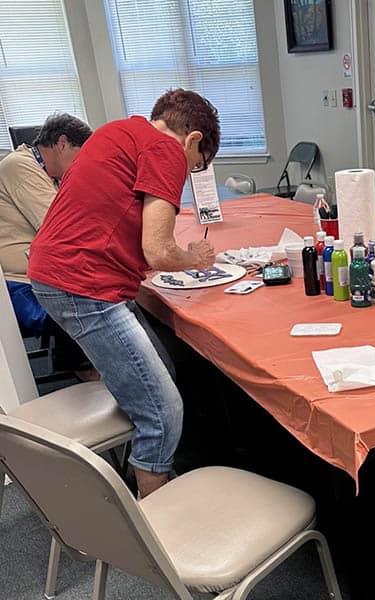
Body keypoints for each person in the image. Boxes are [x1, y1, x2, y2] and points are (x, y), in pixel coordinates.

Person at [28, 89, 220, 498]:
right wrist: (195, 258)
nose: (189, 174)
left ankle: (153, 468)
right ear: (192, 140)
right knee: (164, 411)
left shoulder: (117, 131)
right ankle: (157, 517)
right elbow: (159, 250)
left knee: (162, 371)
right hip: (84, 285)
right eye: (196, 165)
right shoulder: (167, 152)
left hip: (56, 275)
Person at [0, 113, 96, 377]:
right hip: (17, 283)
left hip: (40, 271)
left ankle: (79, 363)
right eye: (81, 155)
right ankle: (85, 371)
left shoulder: (47, 174)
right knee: (90, 300)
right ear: (62, 144)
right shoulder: (18, 166)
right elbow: (59, 228)